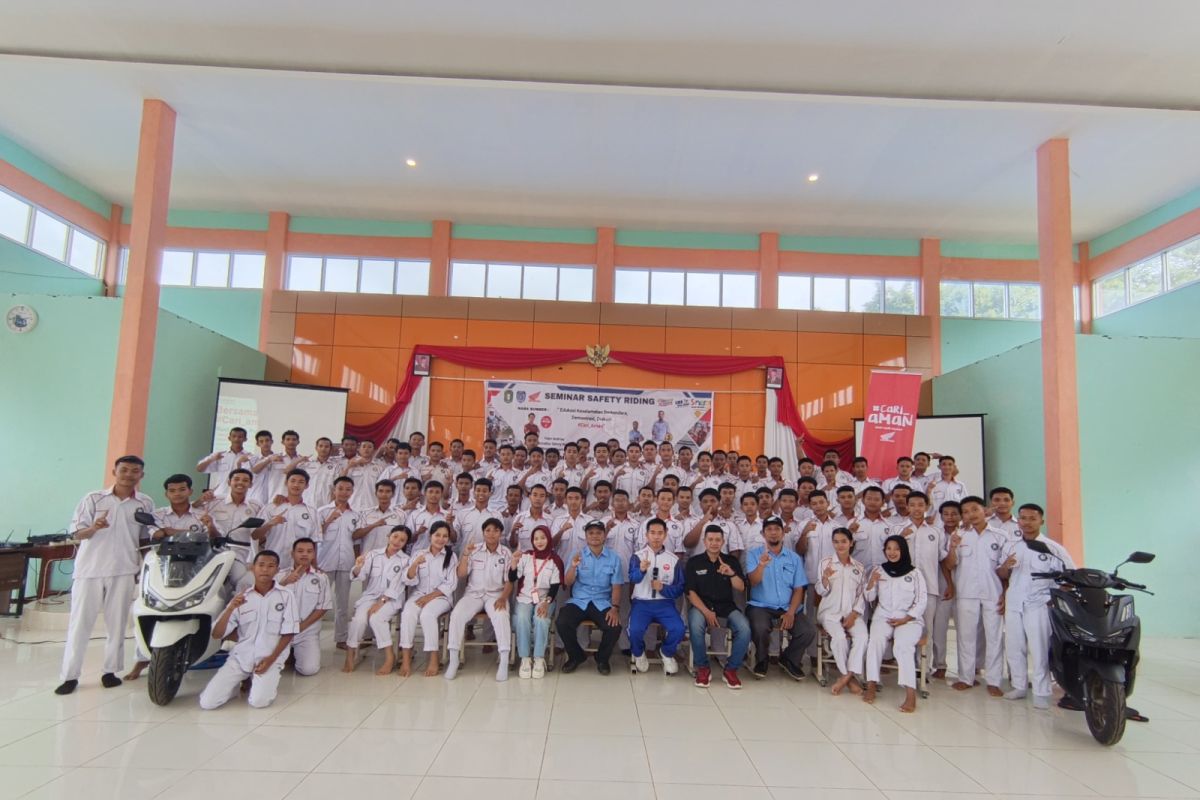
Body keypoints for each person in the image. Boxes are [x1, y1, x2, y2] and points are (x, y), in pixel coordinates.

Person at [56, 455, 154, 695]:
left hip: (124, 570)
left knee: (117, 624)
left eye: (134, 471)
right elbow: (77, 533)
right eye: (124, 470)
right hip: (90, 570)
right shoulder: (93, 498)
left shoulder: (145, 502)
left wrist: (145, 568)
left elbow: (144, 538)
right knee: (80, 624)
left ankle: (110, 671)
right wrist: (94, 527)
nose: (129, 475)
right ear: (114, 472)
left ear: (141, 475)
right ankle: (70, 676)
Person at [997, 503, 1075, 709]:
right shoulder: (1012, 546)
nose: (1027, 523)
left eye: (1032, 519)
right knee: (1014, 646)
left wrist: (1052, 599)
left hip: (1039, 604)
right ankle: (1019, 686)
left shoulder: (1053, 548)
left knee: (1039, 649)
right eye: (1023, 518)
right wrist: (1005, 566)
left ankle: (1042, 691)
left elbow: (1069, 577)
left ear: (1041, 521)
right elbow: (1002, 574)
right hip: (1015, 602)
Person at [198, 550, 298, 710]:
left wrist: (271, 660)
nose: (265, 570)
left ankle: (261, 682)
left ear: (277, 570)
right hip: (240, 657)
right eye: (261, 565)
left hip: (269, 657)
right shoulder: (242, 597)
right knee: (207, 703)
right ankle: (233, 687)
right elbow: (217, 634)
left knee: (259, 702)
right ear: (253, 568)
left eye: (271, 566)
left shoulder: (286, 596)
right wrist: (230, 609)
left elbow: (289, 632)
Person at [943, 496, 1006, 695]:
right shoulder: (959, 535)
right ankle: (965, 677)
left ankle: (994, 680)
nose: (971, 514)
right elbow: (949, 565)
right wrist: (953, 547)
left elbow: (1006, 569)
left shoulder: (1000, 536)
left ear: (984, 510)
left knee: (994, 636)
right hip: (966, 592)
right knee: (965, 636)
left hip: (993, 593)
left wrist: (1005, 593)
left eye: (975, 509)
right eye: (966, 512)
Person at [745, 516, 816, 680]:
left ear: (783, 533)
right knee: (760, 627)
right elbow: (753, 582)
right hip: (760, 606)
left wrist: (791, 612)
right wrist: (761, 565)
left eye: (777, 529)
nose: (773, 533)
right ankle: (762, 660)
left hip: (787, 606)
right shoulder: (754, 555)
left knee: (807, 631)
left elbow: (799, 589)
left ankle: (789, 659)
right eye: (769, 529)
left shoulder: (794, 558)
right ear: (763, 534)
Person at [863, 535, 927, 712]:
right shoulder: (879, 570)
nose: (892, 552)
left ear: (903, 551)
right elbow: (869, 597)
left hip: (908, 619)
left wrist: (906, 618)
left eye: (896, 549)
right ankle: (871, 685)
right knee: (875, 642)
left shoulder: (915, 573)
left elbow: (921, 600)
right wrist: (871, 582)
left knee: (902, 647)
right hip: (883, 615)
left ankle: (910, 693)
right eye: (888, 548)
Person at [445, 518, 514, 682]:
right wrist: (465, 555)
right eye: (488, 530)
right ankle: (453, 660)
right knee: (457, 615)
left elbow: (509, 581)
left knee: (501, 616)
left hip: (495, 595)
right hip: (473, 594)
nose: (491, 534)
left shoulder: (506, 553)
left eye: (496, 530)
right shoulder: (474, 550)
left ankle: (504, 660)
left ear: (500, 533)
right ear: (483, 533)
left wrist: (503, 598)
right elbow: (461, 574)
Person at [685, 525, 750, 689]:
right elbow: (690, 593)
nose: (714, 543)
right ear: (704, 541)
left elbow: (741, 587)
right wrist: (706, 612)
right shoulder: (694, 562)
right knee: (695, 625)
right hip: (701, 607)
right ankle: (703, 668)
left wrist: (731, 574)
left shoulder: (731, 561)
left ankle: (731, 669)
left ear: (723, 542)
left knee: (744, 629)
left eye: (717, 540)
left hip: (726, 607)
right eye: (710, 539)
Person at [343, 526, 411, 675]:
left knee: (376, 618)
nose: (397, 541)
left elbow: (397, 585)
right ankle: (350, 654)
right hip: (370, 596)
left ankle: (390, 657)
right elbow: (360, 575)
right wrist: (358, 567)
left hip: (392, 598)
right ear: (389, 536)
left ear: (405, 543)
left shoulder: (405, 560)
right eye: (395, 537)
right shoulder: (373, 555)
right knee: (359, 620)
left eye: (402, 540)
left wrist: (381, 602)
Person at [557, 520, 623, 674]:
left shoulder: (614, 558)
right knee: (562, 622)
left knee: (614, 627)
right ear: (586, 536)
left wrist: (615, 608)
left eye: (598, 533)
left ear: (604, 535)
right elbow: (567, 582)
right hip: (579, 601)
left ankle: (602, 658)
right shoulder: (577, 555)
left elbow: (617, 586)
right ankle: (576, 656)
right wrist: (573, 566)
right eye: (591, 533)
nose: (595, 536)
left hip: (602, 602)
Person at [399, 521, 458, 677]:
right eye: (437, 535)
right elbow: (408, 579)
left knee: (427, 615)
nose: (441, 539)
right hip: (419, 594)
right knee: (408, 614)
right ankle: (406, 658)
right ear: (430, 536)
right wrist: (415, 564)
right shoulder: (419, 554)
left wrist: (429, 597)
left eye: (445, 536)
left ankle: (433, 657)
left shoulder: (451, 556)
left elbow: (451, 584)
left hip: (441, 597)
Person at [628, 518, 686, 675]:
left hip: (664, 604)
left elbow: (679, 588)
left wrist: (663, 588)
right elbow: (632, 578)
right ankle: (639, 654)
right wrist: (641, 570)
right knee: (634, 630)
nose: (656, 537)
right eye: (652, 533)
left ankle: (666, 653)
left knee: (679, 629)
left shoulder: (674, 559)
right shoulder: (638, 556)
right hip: (641, 603)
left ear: (665, 534)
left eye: (660, 533)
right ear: (646, 535)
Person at [816, 527, 868, 695]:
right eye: (836, 542)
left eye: (844, 541)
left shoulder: (859, 567)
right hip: (829, 613)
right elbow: (821, 591)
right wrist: (825, 578)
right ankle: (848, 677)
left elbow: (861, 594)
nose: (840, 545)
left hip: (851, 613)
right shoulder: (825, 563)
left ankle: (845, 677)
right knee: (839, 638)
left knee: (862, 637)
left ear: (851, 543)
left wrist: (854, 614)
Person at [274, 538, 332, 676]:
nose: (304, 554)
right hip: (279, 630)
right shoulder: (279, 575)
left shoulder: (321, 577)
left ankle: (295, 653)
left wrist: (299, 627)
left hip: (305, 631)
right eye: (300, 551)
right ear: (292, 553)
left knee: (308, 669)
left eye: (309, 551)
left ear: (314, 554)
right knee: (268, 666)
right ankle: (289, 653)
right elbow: (266, 600)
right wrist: (284, 583)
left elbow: (323, 607)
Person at [511, 525, 562, 679]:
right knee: (521, 618)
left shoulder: (555, 560)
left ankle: (539, 658)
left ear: (549, 539)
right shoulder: (526, 557)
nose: (539, 541)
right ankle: (525, 658)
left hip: (545, 599)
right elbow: (512, 578)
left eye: (543, 538)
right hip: (525, 597)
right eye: (536, 538)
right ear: (532, 541)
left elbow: (555, 587)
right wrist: (514, 562)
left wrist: (547, 602)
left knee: (540, 619)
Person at [316, 476, 358, 649]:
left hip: (346, 563)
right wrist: (328, 521)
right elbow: (314, 536)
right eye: (340, 488)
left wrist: (357, 563)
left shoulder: (355, 515)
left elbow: (356, 541)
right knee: (318, 602)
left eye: (348, 489)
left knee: (342, 604)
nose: (344, 492)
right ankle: (311, 638)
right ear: (334, 490)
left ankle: (341, 638)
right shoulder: (322, 511)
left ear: (352, 492)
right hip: (324, 563)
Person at [253, 469, 316, 570]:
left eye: (301, 482)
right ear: (286, 483)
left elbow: (314, 541)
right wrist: (270, 524)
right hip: (272, 565)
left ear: (307, 485)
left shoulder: (312, 512)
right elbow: (254, 535)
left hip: (298, 566)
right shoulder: (271, 507)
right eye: (293, 481)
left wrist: (314, 566)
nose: (296, 485)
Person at [197, 426, 250, 500]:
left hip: (241, 495)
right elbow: (199, 469)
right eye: (234, 436)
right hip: (220, 494)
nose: (236, 439)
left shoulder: (249, 457)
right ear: (229, 438)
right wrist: (211, 459)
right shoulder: (219, 455)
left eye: (240, 437)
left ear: (245, 439)